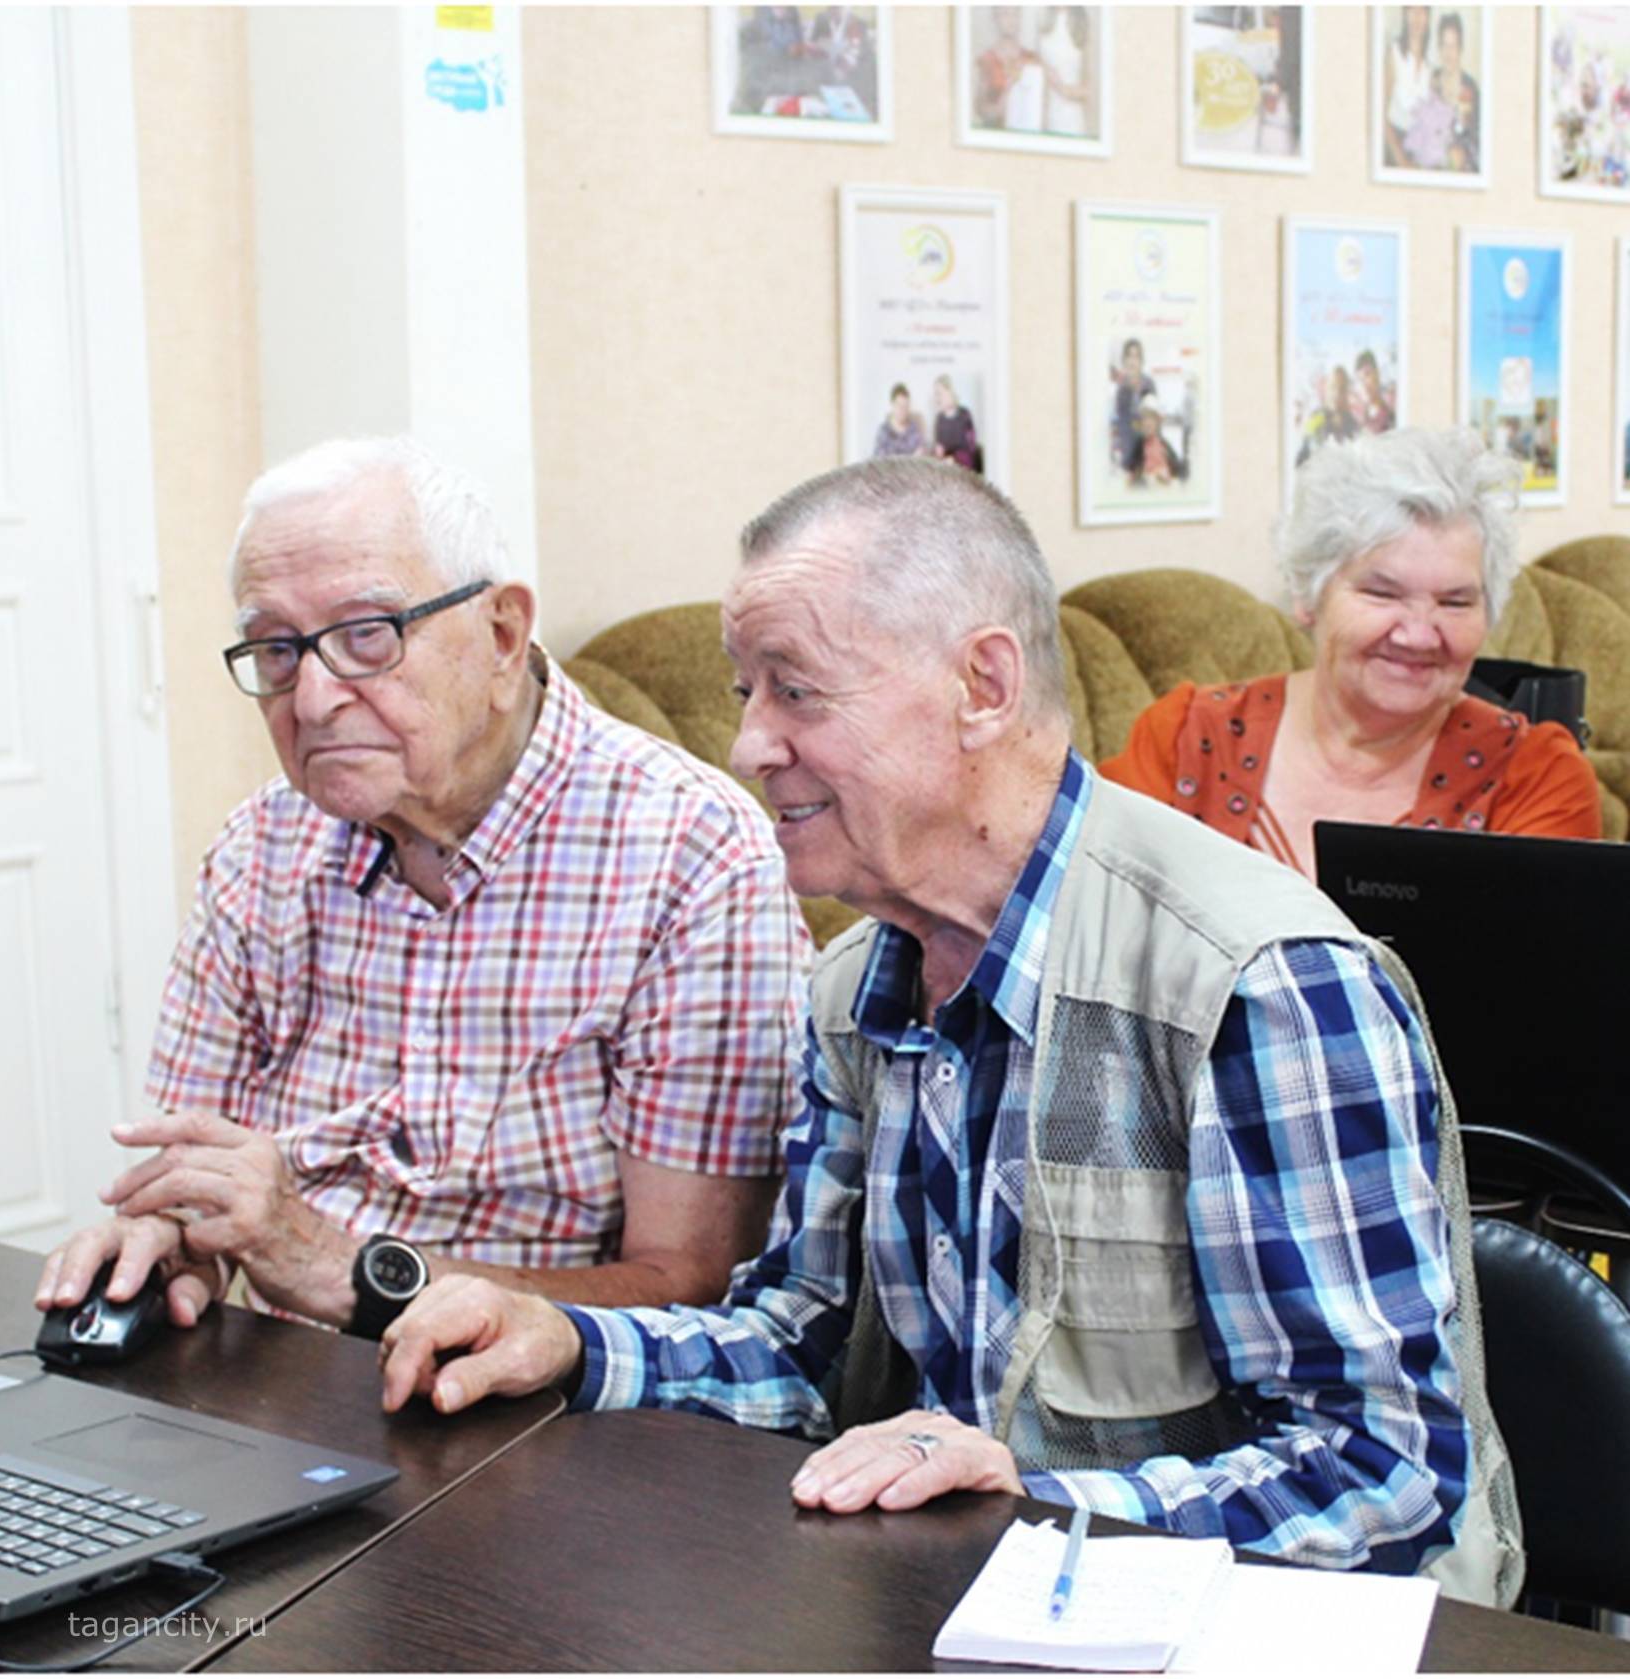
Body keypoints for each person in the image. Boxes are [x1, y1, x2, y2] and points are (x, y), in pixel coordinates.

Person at [378, 456, 1521, 1607]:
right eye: (743, 693)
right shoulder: (853, 991)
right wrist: (572, 1341)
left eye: (796, 690)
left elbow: (1383, 1474)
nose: (747, 747)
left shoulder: (1255, 985)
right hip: (977, 1602)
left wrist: (1034, 1501)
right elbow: (802, 1346)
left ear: (983, 683)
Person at [35, 437, 809, 1336]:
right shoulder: (260, 848)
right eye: (275, 650)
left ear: (502, 634)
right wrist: (167, 1244)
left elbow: (692, 1288)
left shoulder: (693, 856)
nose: (314, 697)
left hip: (552, 1414)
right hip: (286, 1395)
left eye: (367, 635)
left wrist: (334, 1265)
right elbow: (190, 1186)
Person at [1102, 428, 1600, 880]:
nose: (1419, 635)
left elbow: (1534, 975)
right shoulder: (1185, 740)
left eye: (1455, 602)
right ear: (1308, 595)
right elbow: (1090, 927)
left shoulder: (1535, 779)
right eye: (1382, 594)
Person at [1383, 5, 1433, 167]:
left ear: (1428, 16)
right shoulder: (1393, 54)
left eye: (1422, 11)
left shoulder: (1429, 68)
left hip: (1416, 150)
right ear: (1404, 14)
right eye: (1412, 10)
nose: (1417, 17)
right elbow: (1379, 114)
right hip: (1391, 147)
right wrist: (1401, 159)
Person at [1432, 12, 1480, 173]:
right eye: (1444, 45)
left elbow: (1477, 141)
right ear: (1439, 47)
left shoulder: (1471, 88)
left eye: (1453, 46)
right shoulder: (1431, 83)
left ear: (1461, 48)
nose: (1448, 53)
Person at [1036, 5, 1089, 135]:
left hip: (1071, 123)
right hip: (1043, 121)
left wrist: (1060, 87)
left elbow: (1089, 90)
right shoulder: (1042, 19)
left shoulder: (1081, 24)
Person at [1295, 364, 1360, 466]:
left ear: (1347, 393)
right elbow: (1302, 456)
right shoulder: (1315, 419)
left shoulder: (1354, 425)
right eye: (1333, 387)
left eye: (1342, 389)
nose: (1337, 393)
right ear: (1327, 389)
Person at [1109, 338, 1156, 465]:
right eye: (1129, 355)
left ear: (1142, 361)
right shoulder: (1121, 388)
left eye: (1136, 356)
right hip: (1128, 448)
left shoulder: (1149, 383)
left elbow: (1154, 417)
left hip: (1148, 447)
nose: (1133, 360)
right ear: (1124, 360)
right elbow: (1123, 420)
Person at [1124, 396, 1181, 486]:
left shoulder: (1164, 444)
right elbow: (1130, 474)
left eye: (1151, 418)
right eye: (1145, 418)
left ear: (1157, 422)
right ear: (1141, 422)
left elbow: (1179, 469)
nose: (1148, 423)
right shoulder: (1137, 445)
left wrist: (1167, 474)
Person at [930, 375, 981, 472]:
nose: (936, 398)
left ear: (951, 392)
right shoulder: (939, 419)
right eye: (935, 394)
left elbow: (971, 450)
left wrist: (955, 459)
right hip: (944, 469)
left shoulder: (965, 415)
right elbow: (937, 450)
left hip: (963, 470)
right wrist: (937, 452)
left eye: (939, 393)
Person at [871, 383, 926, 459]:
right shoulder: (883, 430)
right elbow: (878, 461)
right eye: (899, 406)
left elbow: (920, 454)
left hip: (910, 470)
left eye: (906, 406)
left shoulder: (914, 429)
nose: (902, 410)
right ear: (892, 405)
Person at [1355, 349, 1396, 435]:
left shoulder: (1391, 400)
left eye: (1367, 374)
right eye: (1360, 380)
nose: (1364, 384)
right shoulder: (1361, 414)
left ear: (1377, 373)